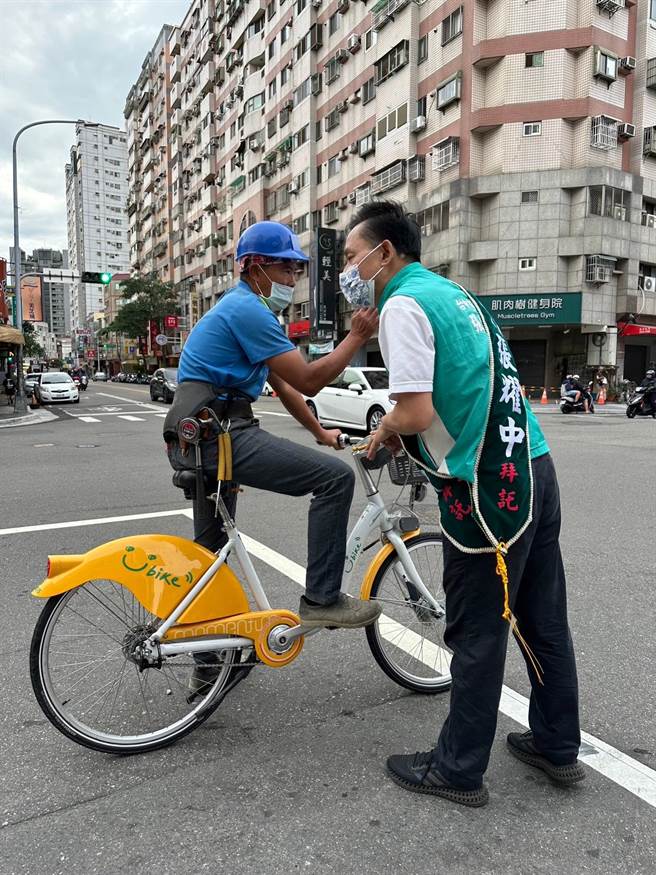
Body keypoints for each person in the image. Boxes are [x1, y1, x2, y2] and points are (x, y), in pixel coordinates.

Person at [341, 201, 583, 808]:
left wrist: (384, 432)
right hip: (534, 463)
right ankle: (556, 743)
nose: (348, 268)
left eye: (352, 256)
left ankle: (457, 767)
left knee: (478, 626)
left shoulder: (401, 304)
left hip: (486, 485)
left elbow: (417, 410)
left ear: (385, 253)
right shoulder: (457, 295)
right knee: (541, 617)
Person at [164, 220, 382, 696]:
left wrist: (320, 431)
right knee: (334, 481)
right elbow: (306, 380)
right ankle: (322, 598)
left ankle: (208, 665)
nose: (291, 280)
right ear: (256, 267)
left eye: (295, 271)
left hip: (200, 438)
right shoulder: (248, 310)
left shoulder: (246, 311)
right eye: (285, 269)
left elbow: (284, 388)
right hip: (221, 433)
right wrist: (355, 337)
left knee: (209, 557)